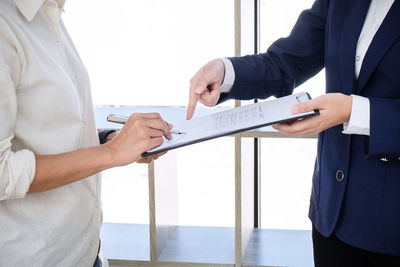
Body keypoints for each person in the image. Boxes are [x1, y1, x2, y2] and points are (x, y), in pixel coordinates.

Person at [187, 0, 400, 266]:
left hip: (392, 227)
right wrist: (225, 71)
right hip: (331, 214)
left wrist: (353, 111)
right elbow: (285, 62)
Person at [0, 0, 171, 266]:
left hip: (85, 251)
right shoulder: (5, 24)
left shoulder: (49, 12)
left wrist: (111, 140)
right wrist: (109, 153)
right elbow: (2, 173)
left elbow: (50, 124)